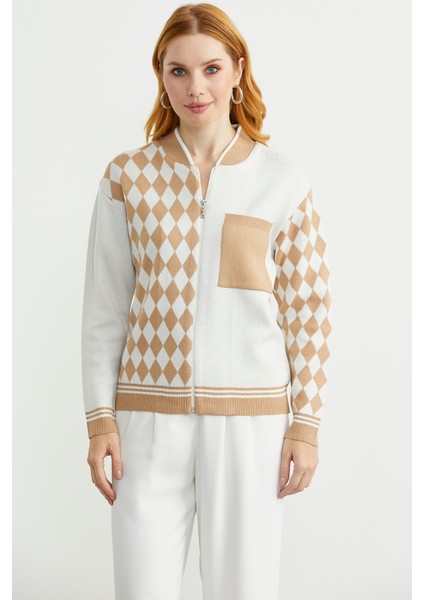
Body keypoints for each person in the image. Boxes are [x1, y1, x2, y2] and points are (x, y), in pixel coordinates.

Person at [81, 3, 332, 599]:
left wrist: (306, 424)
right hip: (147, 422)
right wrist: (100, 418)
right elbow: (104, 310)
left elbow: (309, 310)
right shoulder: (127, 177)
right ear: (161, 76)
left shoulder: (281, 179)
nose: (196, 87)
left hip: (251, 424)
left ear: (238, 70)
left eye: (211, 68)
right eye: (179, 71)